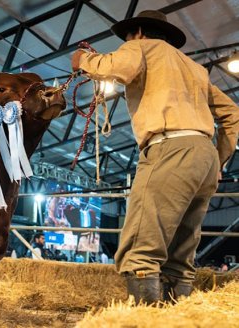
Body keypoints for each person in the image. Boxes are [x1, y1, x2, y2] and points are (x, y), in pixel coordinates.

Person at [71, 10, 239, 305]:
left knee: (141, 245)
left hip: (169, 148)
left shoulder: (140, 46)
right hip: (204, 154)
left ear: (137, 32)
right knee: (182, 250)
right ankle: (180, 314)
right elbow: (232, 113)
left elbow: (119, 68)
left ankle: (145, 318)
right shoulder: (194, 68)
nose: (125, 41)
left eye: (127, 37)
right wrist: (220, 161)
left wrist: (83, 62)